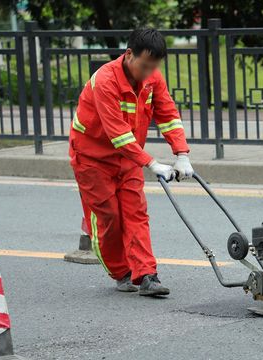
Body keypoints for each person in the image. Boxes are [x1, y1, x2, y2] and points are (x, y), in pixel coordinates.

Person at [69, 28, 194, 296]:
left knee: (136, 212)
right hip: (92, 159)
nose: (149, 73)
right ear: (128, 55)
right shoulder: (104, 81)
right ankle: (120, 271)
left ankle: (147, 274)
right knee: (109, 217)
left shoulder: (152, 77)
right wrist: (151, 163)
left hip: (128, 158)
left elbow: (167, 114)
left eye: (154, 67)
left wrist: (181, 154)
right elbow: (117, 134)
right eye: (145, 66)